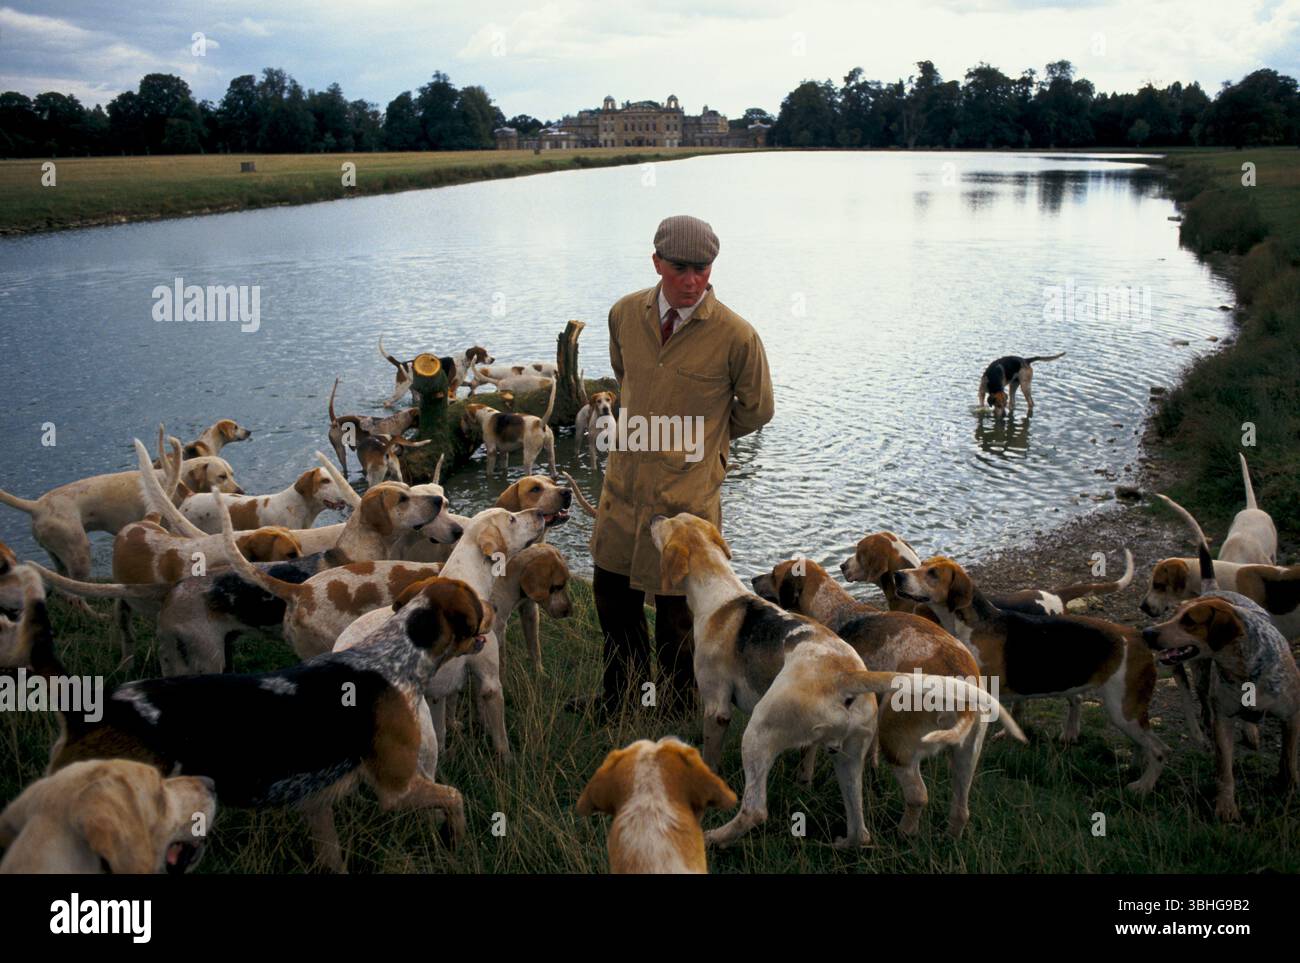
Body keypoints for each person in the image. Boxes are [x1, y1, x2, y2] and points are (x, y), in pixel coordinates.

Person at [582, 214, 774, 717]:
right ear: (657, 263)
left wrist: (711, 446)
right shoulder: (624, 314)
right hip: (623, 487)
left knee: (676, 617)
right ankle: (620, 698)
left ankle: (675, 708)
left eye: (703, 269)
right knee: (613, 600)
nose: (692, 281)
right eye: (680, 269)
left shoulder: (737, 336)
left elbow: (757, 409)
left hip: (687, 501)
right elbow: (626, 377)